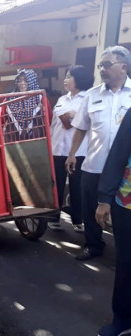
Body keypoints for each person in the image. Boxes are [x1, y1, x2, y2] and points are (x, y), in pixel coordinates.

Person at [66, 45, 131, 261]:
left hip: (125, 171)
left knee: (124, 212)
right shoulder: (92, 96)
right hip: (95, 164)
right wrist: (72, 154)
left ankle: (124, 251)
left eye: (107, 64)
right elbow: (81, 128)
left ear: (123, 67)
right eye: (100, 65)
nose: (102, 69)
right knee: (91, 208)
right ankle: (93, 245)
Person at [95, 107, 131, 336]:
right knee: (127, 264)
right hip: (127, 203)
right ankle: (124, 318)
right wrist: (105, 199)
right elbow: (118, 153)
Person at [47, 65, 94, 232]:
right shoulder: (61, 100)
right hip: (58, 150)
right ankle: (54, 217)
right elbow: (53, 126)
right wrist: (50, 145)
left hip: (79, 152)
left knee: (76, 186)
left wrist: (77, 115)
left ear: (79, 79)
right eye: (65, 77)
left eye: (69, 77)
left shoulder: (88, 99)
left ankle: (77, 219)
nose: (65, 80)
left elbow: (91, 125)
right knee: (56, 185)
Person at [2, 69, 52, 141]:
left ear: (32, 82)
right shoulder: (10, 99)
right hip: (14, 140)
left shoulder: (40, 98)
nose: (22, 83)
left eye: (26, 80)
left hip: (37, 139)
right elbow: (0, 118)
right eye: (19, 80)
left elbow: (50, 118)